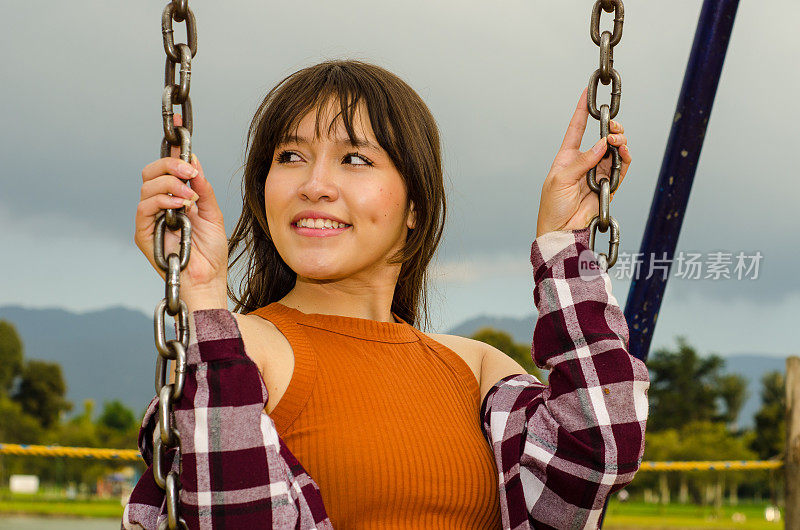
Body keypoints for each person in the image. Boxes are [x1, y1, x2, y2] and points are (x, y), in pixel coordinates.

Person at [126, 60, 649, 529]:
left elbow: (598, 453)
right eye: (290, 156)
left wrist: (562, 246)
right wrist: (201, 294)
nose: (315, 184)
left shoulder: (474, 368)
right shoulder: (232, 350)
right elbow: (235, 514)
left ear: (415, 205)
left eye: (354, 159)